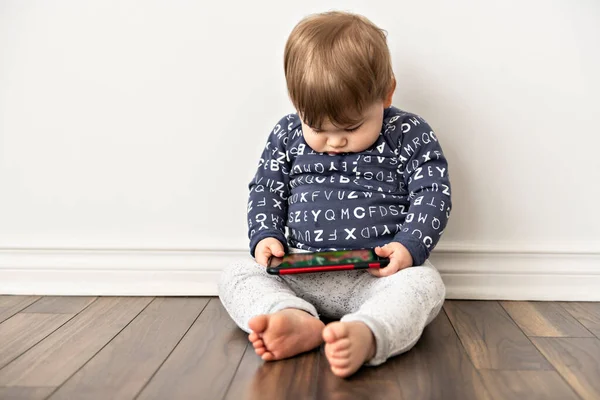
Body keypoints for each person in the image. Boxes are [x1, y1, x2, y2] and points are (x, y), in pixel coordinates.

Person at [219, 10, 451, 378]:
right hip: (298, 269)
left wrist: (409, 246)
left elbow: (432, 191)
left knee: (425, 284)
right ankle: (290, 316)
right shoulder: (286, 134)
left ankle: (368, 332)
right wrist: (265, 236)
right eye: (317, 127)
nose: (334, 141)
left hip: (376, 275)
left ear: (386, 93)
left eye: (351, 126)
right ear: (297, 106)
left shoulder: (408, 133)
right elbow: (267, 188)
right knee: (235, 274)